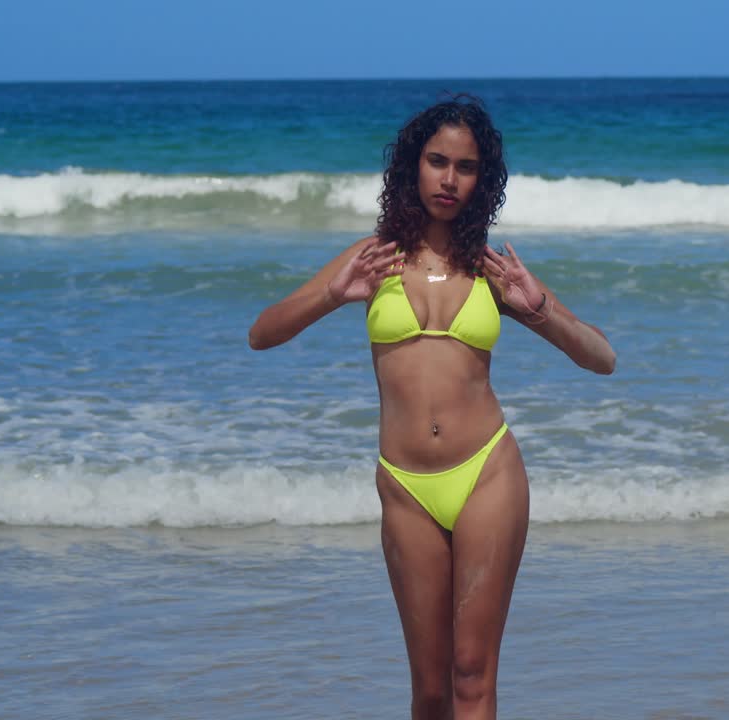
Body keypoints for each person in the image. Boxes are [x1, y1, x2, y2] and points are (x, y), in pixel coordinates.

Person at [248, 96, 616, 719]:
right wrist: (334, 296)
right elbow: (263, 332)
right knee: (430, 690)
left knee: (472, 675)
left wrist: (540, 308)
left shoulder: (490, 271)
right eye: (437, 161)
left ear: (483, 180)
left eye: (466, 167)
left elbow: (601, 357)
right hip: (405, 486)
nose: (449, 179)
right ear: (412, 168)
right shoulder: (374, 257)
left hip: (487, 474)